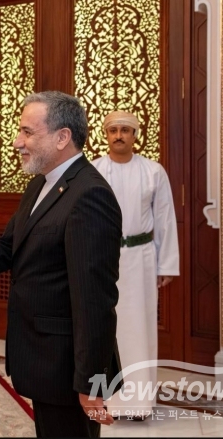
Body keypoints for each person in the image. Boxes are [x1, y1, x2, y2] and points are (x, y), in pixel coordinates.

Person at [0, 91, 123, 438]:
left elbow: (95, 302)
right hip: (43, 359)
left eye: (27, 132)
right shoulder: (42, 183)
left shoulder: (89, 195)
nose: (17, 142)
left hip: (67, 368)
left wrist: (91, 383)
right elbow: (8, 246)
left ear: (62, 137)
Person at [92, 110, 180, 420]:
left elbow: (165, 219)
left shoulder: (153, 172)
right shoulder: (93, 171)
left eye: (125, 130)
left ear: (135, 135)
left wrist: (166, 265)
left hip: (142, 259)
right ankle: (108, 401)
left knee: (140, 329)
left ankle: (140, 404)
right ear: (106, 134)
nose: (119, 135)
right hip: (103, 260)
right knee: (106, 329)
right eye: (113, 130)